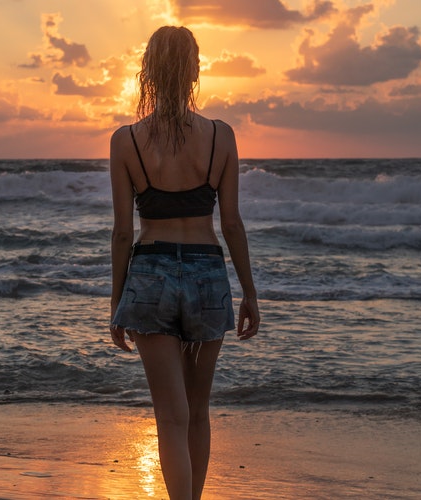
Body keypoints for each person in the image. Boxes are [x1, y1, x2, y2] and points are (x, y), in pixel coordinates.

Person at [109, 26, 260, 499]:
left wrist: (117, 300)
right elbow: (232, 224)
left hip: (150, 273)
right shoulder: (221, 137)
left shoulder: (126, 141)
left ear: (148, 71)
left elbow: (121, 232)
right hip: (207, 273)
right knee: (197, 410)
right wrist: (250, 291)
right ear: (195, 70)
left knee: (170, 417)